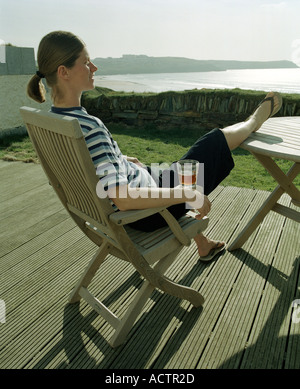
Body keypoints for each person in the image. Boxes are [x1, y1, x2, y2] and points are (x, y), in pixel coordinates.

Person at [27, 31, 282, 262]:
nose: (94, 66)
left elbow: (85, 167)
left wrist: (122, 161)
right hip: (145, 214)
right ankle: (253, 121)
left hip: (131, 194)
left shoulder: (53, 121)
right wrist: (188, 194)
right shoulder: (89, 128)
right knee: (212, 143)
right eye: (85, 62)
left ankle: (202, 244)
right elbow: (124, 199)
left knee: (181, 166)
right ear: (64, 72)